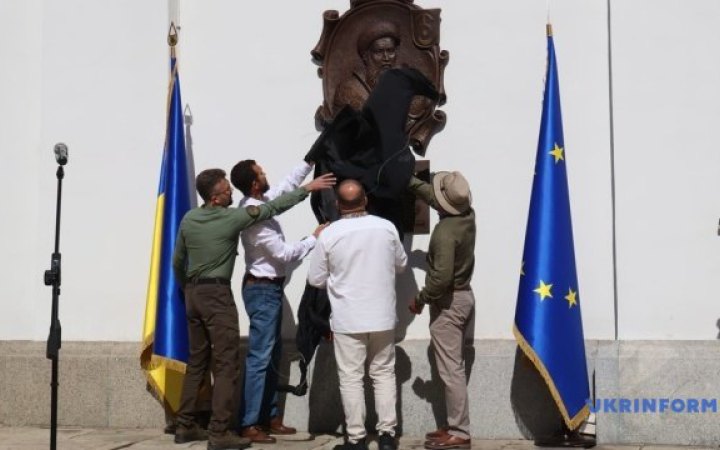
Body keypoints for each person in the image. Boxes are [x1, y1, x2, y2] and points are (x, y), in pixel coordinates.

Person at [172, 168, 335, 450]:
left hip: (193, 295)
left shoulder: (189, 218)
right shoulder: (232, 218)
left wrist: (186, 288)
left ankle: (185, 425)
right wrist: (307, 190)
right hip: (216, 296)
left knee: (198, 361)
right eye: (225, 191)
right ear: (214, 198)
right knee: (226, 364)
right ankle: (220, 431)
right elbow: (272, 207)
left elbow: (177, 260)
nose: (231, 194)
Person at [230, 159, 327, 443]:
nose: (266, 173)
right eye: (261, 172)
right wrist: (313, 238)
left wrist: (309, 163)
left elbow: (285, 188)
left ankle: (269, 417)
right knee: (260, 357)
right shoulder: (253, 215)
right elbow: (284, 255)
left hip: (268, 290)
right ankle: (249, 423)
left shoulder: (261, 202)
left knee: (270, 355)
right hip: (262, 291)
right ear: (254, 183)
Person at [307, 179, 407, 450]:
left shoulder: (330, 234)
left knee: (351, 378)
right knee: (384, 374)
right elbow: (401, 264)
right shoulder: (386, 228)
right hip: (382, 314)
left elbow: (315, 278)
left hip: (348, 317)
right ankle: (387, 436)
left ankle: (356, 438)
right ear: (365, 200)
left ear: (338, 205)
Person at [407, 171, 475, 450]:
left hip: (448, 302)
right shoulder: (468, 215)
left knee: (451, 371)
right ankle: (454, 423)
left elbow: (441, 278)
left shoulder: (445, 233)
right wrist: (407, 178)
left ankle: (459, 432)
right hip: (464, 297)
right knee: (453, 367)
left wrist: (421, 299)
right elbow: (433, 197)